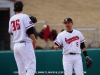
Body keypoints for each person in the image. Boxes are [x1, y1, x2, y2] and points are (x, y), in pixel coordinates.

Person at [8, 1, 36, 75]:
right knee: (31, 68)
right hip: (25, 44)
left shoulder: (12, 19)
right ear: (22, 7)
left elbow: (11, 32)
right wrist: (35, 41)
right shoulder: (24, 16)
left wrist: (29, 23)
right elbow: (30, 32)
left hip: (16, 46)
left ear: (14, 8)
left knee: (21, 70)